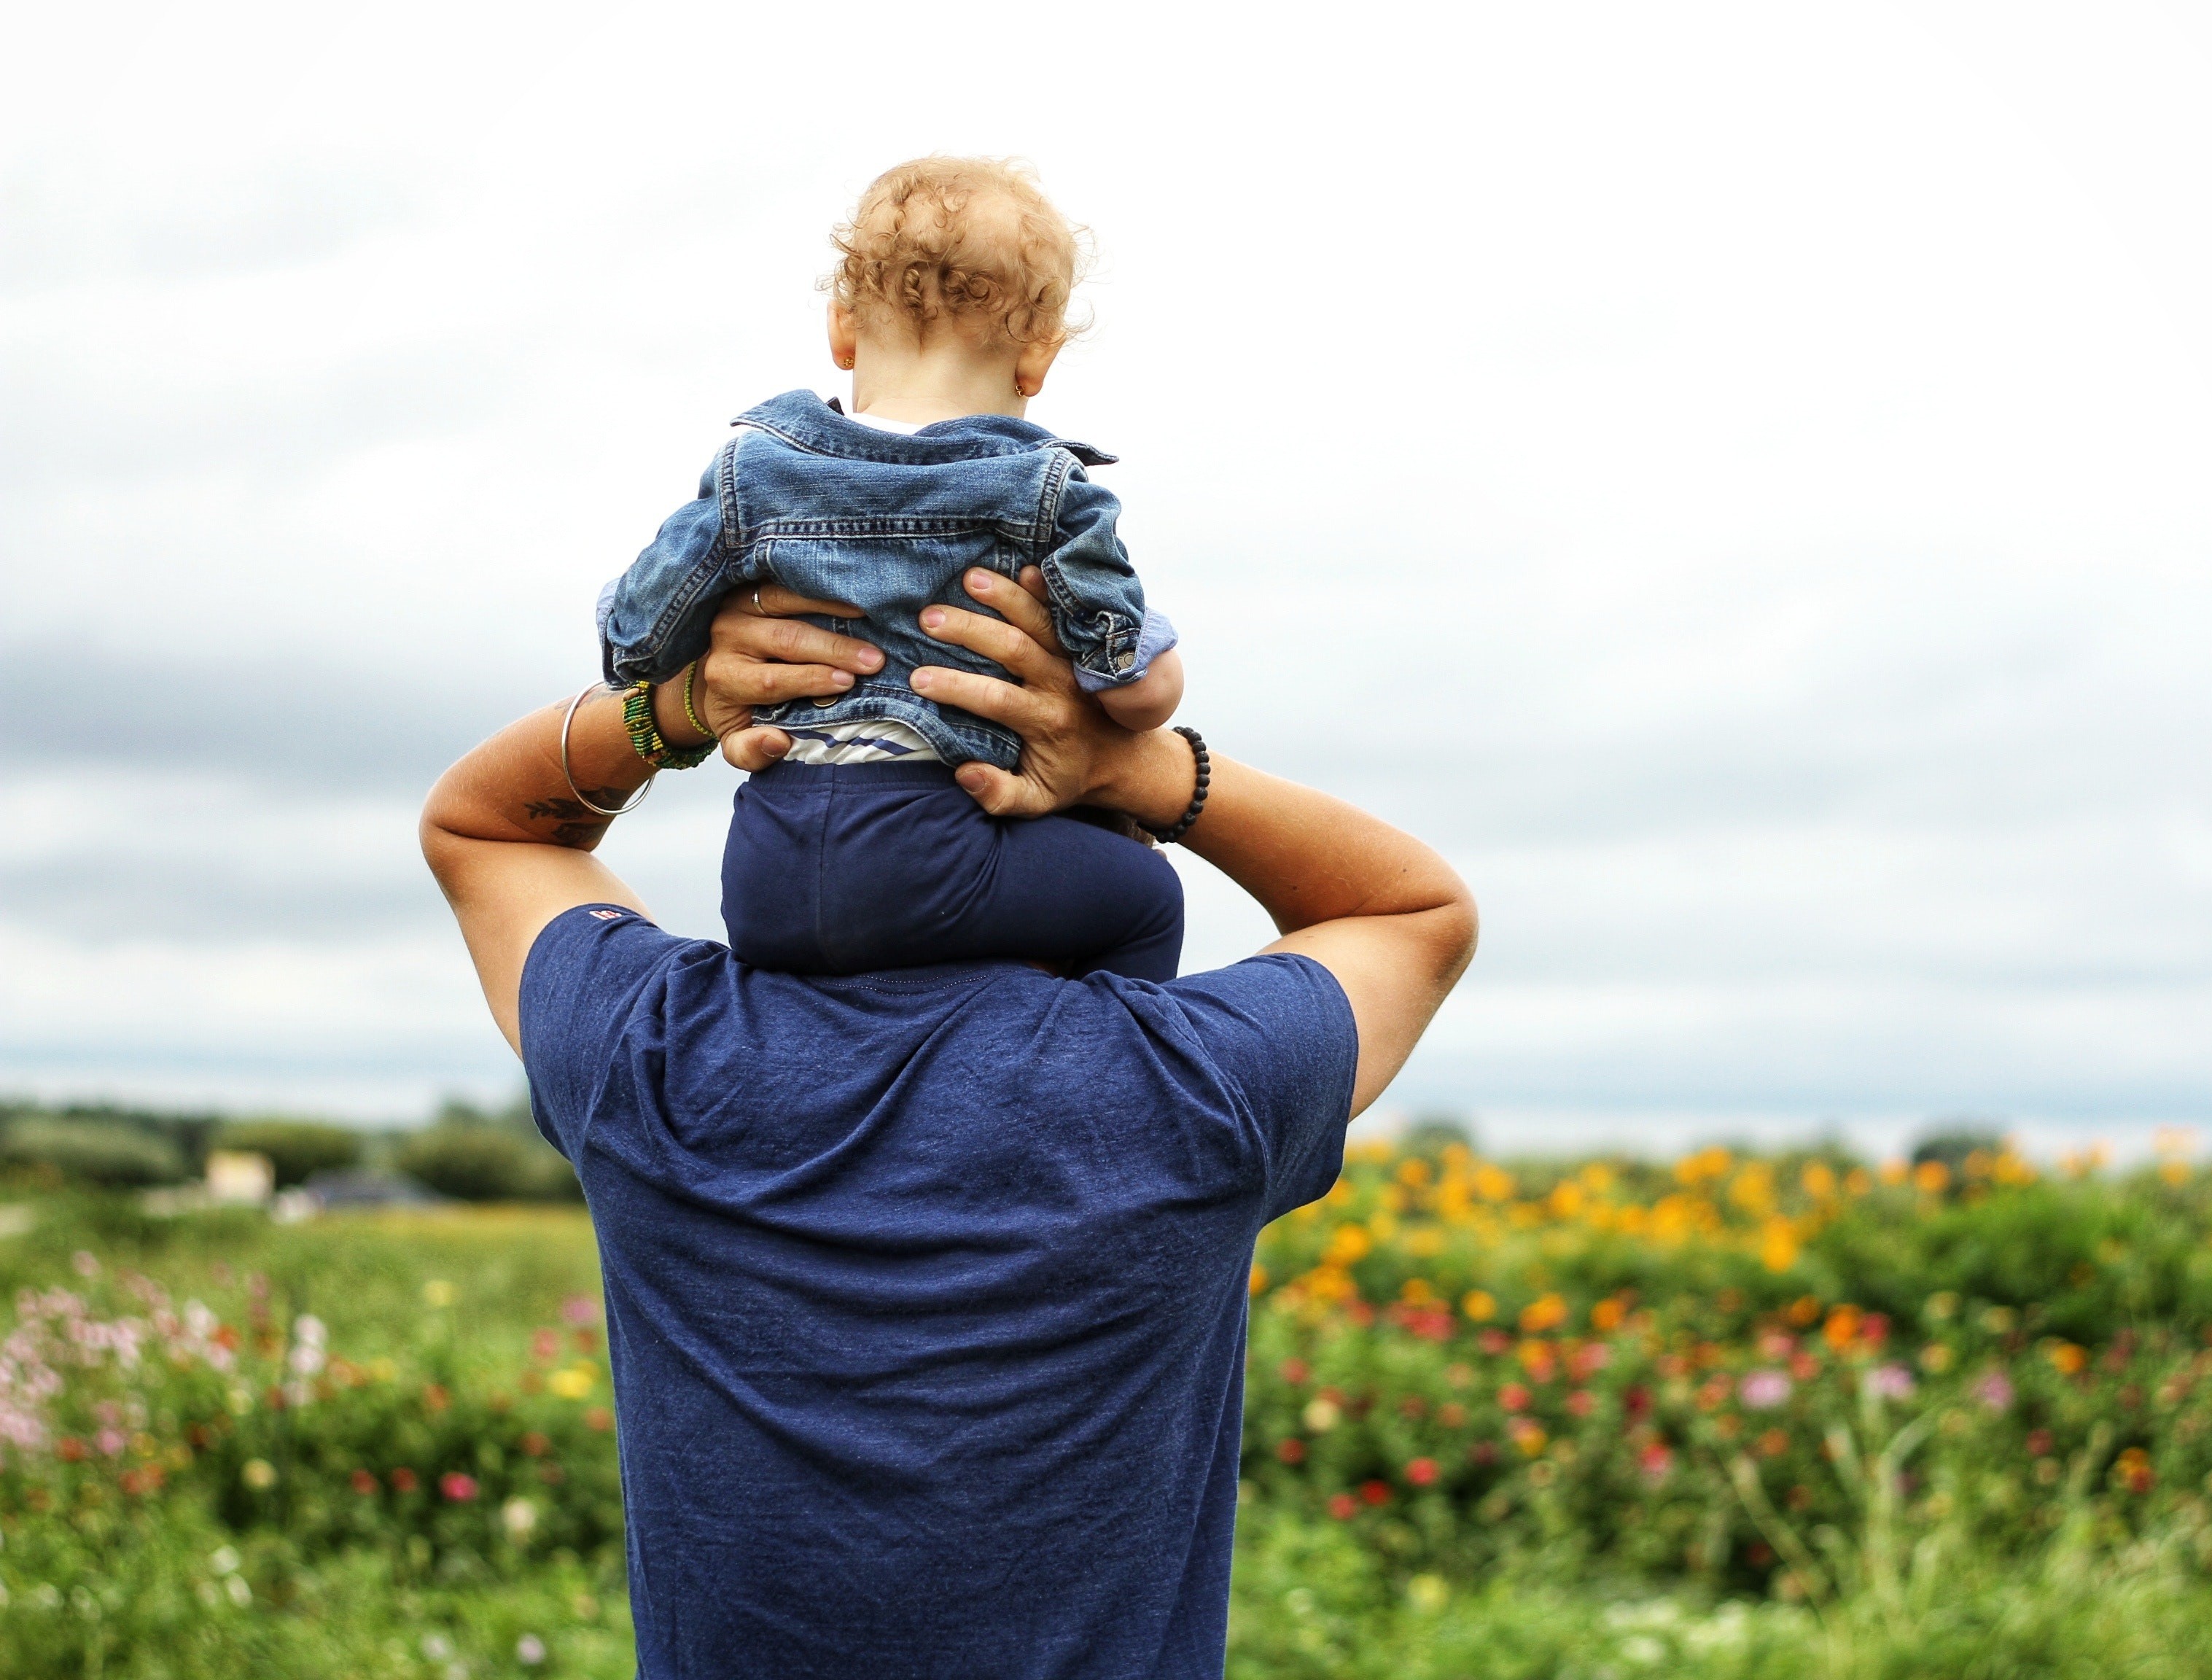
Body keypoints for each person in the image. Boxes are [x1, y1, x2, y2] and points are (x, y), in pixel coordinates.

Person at [418, 568, 1476, 1679]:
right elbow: (1410, 910)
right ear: (1096, 850)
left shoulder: (659, 1056)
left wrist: (676, 708)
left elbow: (486, 830)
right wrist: (1147, 767)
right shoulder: (1192, 1086)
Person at [599, 156, 1188, 981]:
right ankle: (1105, 1078)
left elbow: (635, 642)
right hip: (937, 854)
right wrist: (1152, 665)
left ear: (842, 329)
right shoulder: (1045, 490)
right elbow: (1131, 691)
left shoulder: (753, 472)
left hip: (766, 868)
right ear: (1038, 360)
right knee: (1146, 895)